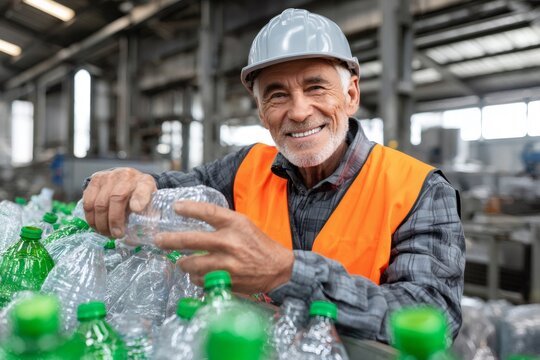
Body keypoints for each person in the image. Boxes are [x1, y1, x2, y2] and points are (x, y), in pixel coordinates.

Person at [83, 8, 465, 342]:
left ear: (351, 95)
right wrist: (125, 182)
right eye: (277, 95)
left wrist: (288, 273)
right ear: (261, 112)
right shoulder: (244, 168)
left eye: (316, 87)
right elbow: (160, 194)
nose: (298, 112)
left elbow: (434, 318)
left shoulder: (419, 189)